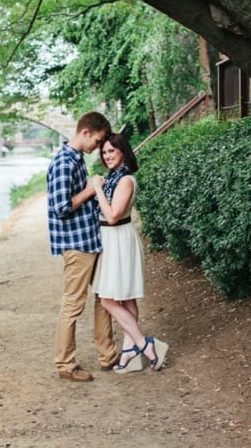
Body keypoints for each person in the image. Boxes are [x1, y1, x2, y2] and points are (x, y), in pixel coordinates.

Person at [47, 111, 118, 382]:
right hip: (77, 246)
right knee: (73, 304)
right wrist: (91, 189)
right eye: (98, 141)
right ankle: (65, 365)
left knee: (104, 298)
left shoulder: (76, 159)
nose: (98, 148)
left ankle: (108, 355)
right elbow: (61, 208)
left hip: (90, 241)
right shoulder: (64, 162)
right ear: (85, 132)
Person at [91, 133, 169, 373]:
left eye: (111, 151)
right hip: (110, 239)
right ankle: (129, 353)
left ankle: (144, 344)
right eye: (104, 152)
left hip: (118, 237)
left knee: (107, 299)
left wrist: (97, 189)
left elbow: (113, 215)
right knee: (125, 297)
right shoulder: (113, 177)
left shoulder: (125, 180)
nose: (107, 156)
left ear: (122, 151)